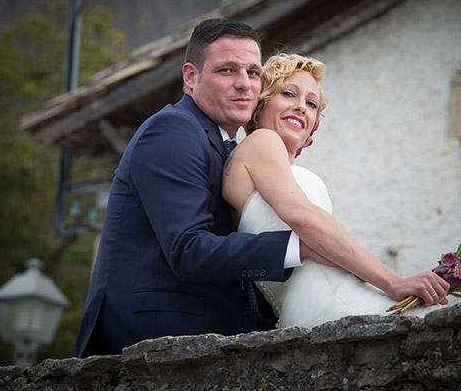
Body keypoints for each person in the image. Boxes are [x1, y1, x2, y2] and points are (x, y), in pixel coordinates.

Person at [73, 19, 303, 357]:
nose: (245, 84)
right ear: (191, 77)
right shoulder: (172, 130)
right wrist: (298, 247)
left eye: (254, 72)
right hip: (149, 343)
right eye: (227, 70)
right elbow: (189, 250)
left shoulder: (234, 150)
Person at [222, 53, 451, 328]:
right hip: (329, 302)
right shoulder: (262, 140)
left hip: (328, 299)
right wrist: (393, 282)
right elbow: (302, 217)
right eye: (288, 94)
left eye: (311, 103)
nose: (301, 107)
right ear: (260, 105)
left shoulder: (277, 171)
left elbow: (317, 244)